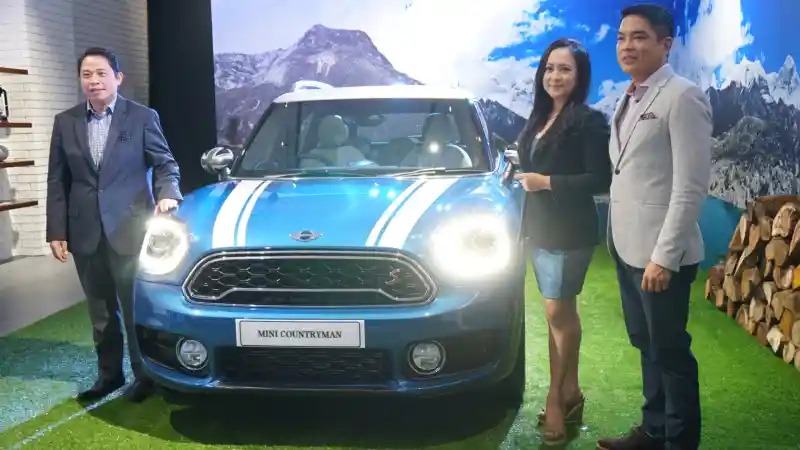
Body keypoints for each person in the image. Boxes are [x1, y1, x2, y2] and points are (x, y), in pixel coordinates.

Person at [597, 5, 712, 450]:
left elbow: (691, 186)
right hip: (627, 246)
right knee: (645, 343)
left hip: (661, 256)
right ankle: (653, 430)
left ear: (666, 44)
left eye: (639, 37)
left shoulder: (682, 96)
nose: (627, 46)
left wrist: (664, 257)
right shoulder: (630, 95)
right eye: (622, 37)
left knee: (670, 352)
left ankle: (679, 443)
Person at [46, 47, 183, 403]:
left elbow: (165, 164)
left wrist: (168, 194)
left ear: (118, 78)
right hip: (85, 232)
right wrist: (56, 231)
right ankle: (108, 376)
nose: (94, 81)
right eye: (86, 75)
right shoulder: (65, 122)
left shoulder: (142, 117)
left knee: (135, 308)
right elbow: (57, 180)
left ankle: (145, 376)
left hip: (130, 228)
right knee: (101, 313)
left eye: (101, 74)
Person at [511, 37, 611, 446]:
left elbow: (600, 179)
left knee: (558, 312)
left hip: (569, 230)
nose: (555, 76)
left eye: (565, 69)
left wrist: (546, 181)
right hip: (539, 228)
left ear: (579, 75)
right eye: (549, 68)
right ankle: (571, 392)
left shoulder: (589, 120)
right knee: (559, 314)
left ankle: (555, 398)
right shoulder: (540, 116)